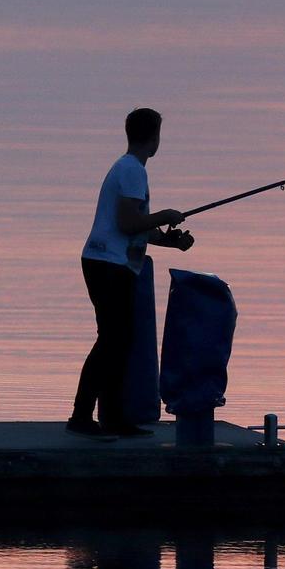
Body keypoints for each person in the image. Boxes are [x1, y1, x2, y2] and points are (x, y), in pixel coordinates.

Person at [71, 108, 194, 438]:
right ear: (154, 138)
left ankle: (111, 418)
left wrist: (171, 241)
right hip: (108, 264)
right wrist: (164, 215)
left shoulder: (128, 168)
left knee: (117, 341)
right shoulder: (132, 170)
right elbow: (128, 223)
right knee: (112, 341)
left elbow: (136, 226)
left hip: (108, 262)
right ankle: (82, 416)